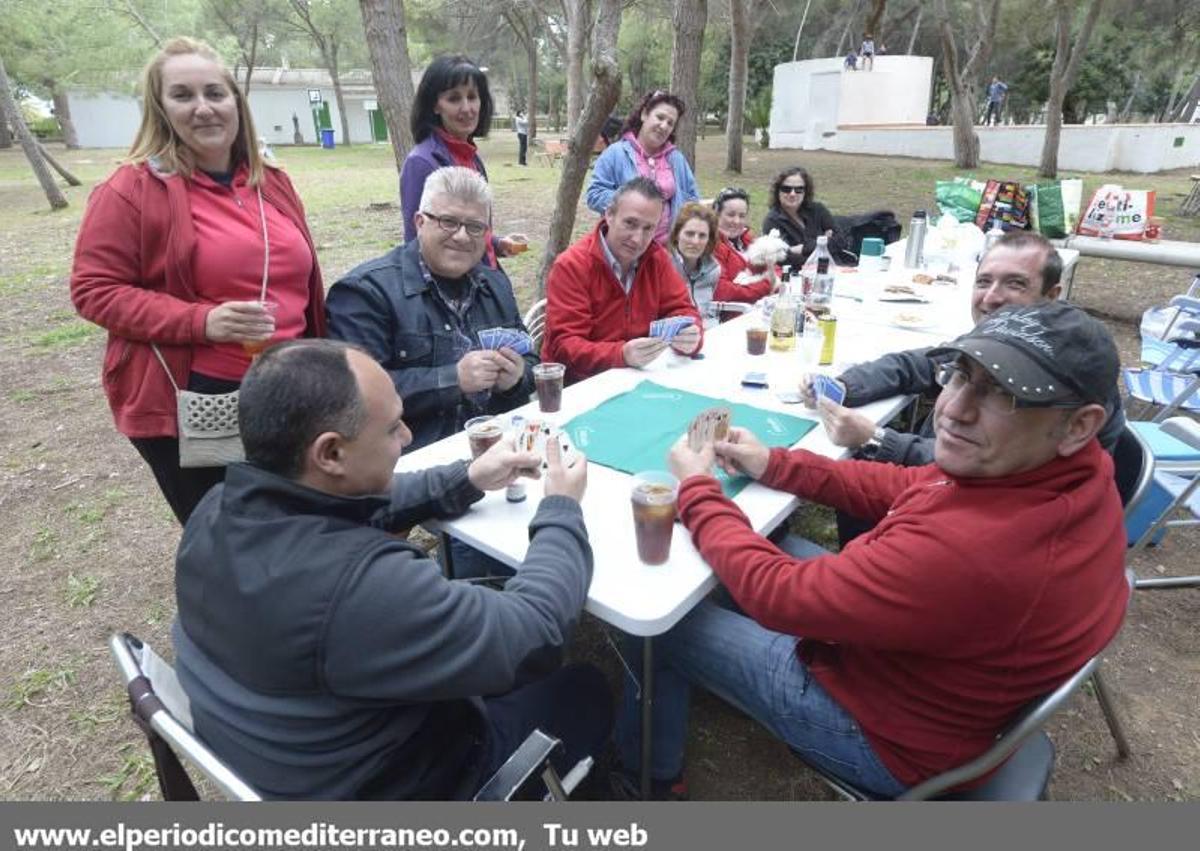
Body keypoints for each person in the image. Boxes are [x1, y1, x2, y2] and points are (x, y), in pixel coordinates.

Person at [615, 301, 1129, 798]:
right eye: (959, 375)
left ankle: (648, 778)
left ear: (1078, 424)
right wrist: (773, 463)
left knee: (658, 623)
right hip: (929, 673)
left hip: (882, 734)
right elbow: (909, 483)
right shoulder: (1069, 474)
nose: (953, 409)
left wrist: (697, 489)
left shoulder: (973, 552)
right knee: (757, 545)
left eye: (1003, 395)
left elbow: (778, 596)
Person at [172, 339, 611, 800]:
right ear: (331, 454)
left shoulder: (216, 509)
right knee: (586, 688)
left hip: (285, 758)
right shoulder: (361, 590)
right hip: (403, 783)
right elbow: (537, 632)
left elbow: (356, 500)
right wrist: (561, 508)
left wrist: (469, 477)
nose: (405, 436)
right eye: (391, 429)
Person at [70, 36, 326, 525]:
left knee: (296, 524)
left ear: (236, 100)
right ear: (160, 108)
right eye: (183, 96)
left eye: (214, 93)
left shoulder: (269, 180)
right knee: (231, 536)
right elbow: (93, 291)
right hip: (196, 400)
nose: (203, 108)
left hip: (285, 385)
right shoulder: (130, 190)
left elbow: (301, 281)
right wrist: (202, 321)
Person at [804, 231, 1125, 468]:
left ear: (1052, 295)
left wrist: (879, 440)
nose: (991, 298)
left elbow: (982, 464)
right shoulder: (1002, 341)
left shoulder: (1074, 368)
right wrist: (844, 387)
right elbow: (915, 365)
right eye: (984, 282)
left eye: (1015, 284)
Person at [326, 166, 535, 453]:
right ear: (419, 222)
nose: (462, 237)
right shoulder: (365, 292)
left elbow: (531, 356)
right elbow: (350, 395)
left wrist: (518, 377)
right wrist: (452, 380)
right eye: (448, 222)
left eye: (475, 227)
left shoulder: (496, 284)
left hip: (503, 447)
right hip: (414, 462)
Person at [543, 178, 704, 383]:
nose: (637, 238)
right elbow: (564, 346)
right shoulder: (572, 265)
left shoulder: (657, 258)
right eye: (630, 223)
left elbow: (684, 310)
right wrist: (620, 355)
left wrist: (692, 335)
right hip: (581, 386)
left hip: (640, 377)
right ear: (609, 214)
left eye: (648, 229)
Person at [399, 55, 526, 267]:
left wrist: (496, 244)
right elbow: (418, 246)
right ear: (435, 105)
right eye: (454, 99)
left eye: (472, 96)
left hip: (485, 282)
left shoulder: (472, 157)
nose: (467, 108)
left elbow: (469, 230)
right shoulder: (421, 163)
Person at [586, 90, 701, 244]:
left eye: (670, 123)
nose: (664, 126)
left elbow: (693, 199)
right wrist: (631, 204)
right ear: (644, 114)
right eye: (660, 117)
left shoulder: (676, 159)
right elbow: (595, 194)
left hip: (667, 250)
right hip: (626, 247)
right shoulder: (615, 153)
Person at [668, 202, 761, 327]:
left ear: (709, 240)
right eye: (689, 234)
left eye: (702, 236)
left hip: (710, 334)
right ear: (677, 235)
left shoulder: (713, 269)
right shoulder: (664, 268)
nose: (695, 241)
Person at [761, 166, 837, 266]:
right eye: (786, 189)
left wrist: (803, 248)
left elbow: (840, 241)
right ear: (777, 191)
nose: (792, 194)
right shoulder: (772, 221)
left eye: (799, 189)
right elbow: (783, 258)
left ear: (805, 192)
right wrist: (823, 244)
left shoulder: (818, 210)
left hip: (836, 267)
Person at [710, 187, 775, 301]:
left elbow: (774, 266)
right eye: (731, 215)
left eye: (742, 216)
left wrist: (772, 278)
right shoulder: (712, 246)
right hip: (736, 313)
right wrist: (767, 285)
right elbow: (723, 291)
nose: (736, 221)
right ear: (717, 214)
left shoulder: (747, 239)